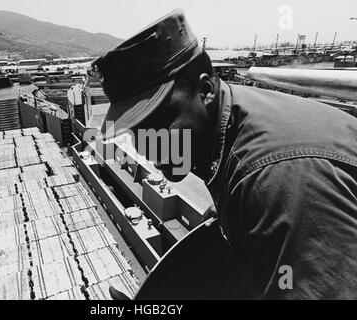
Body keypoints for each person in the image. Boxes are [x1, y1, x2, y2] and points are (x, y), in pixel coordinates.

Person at [92, 9, 357, 299]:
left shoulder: (275, 179)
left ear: (205, 89)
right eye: (136, 131)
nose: (146, 146)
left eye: (159, 124)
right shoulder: (228, 129)